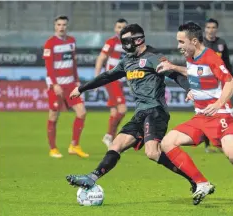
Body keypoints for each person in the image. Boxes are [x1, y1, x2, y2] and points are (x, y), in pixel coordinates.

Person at [156, 22, 233, 208]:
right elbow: (193, 72)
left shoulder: (211, 58)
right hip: (200, 117)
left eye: (182, 42)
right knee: (167, 143)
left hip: (221, 115)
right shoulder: (191, 57)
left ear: (194, 41)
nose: (179, 46)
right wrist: (172, 67)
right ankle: (202, 183)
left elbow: (230, 83)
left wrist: (218, 103)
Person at [66, 23, 198, 196]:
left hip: (155, 111)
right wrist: (82, 88)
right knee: (116, 144)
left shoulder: (153, 57)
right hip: (140, 113)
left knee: (152, 153)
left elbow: (175, 74)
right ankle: (91, 177)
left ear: (138, 40)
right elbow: (107, 76)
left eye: (127, 41)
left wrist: (188, 89)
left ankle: (195, 179)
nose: (124, 45)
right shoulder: (127, 61)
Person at [43, 15, 88, 158]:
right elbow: (49, 67)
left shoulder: (71, 41)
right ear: (55, 26)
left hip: (70, 84)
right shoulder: (50, 43)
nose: (61, 27)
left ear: (67, 26)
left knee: (81, 112)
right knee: (54, 115)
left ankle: (74, 145)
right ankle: (53, 148)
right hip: (56, 85)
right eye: (59, 24)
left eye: (64, 25)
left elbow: (73, 63)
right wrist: (55, 84)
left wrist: (77, 80)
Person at [202, 18, 233, 153]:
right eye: (208, 27)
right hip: (205, 82)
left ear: (216, 29)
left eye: (213, 27)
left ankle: (221, 140)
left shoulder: (221, 44)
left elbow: (227, 62)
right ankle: (208, 145)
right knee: (207, 112)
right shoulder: (201, 43)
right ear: (205, 29)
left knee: (222, 110)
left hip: (220, 82)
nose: (211, 30)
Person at [95, 18, 129, 147]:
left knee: (115, 112)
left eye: (123, 27)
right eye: (119, 27)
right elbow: (101, 58)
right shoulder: (111, 42)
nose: (121, 29)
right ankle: (109, 135)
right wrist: (96, 78)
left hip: (120, 81)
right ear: (115, 29)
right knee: (122, 109)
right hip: (111, 78)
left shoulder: (130, 44)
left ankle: (112, 140)